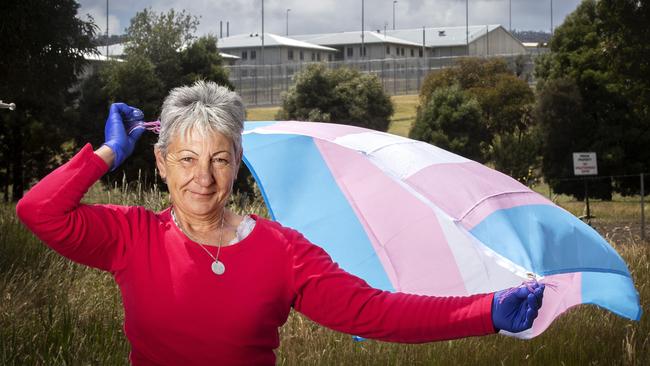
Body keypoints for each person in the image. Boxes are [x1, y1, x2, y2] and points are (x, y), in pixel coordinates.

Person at [16, 81, 544, 365]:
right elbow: (37, 211)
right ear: (160, 163)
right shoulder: (129, 236)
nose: (203, 177)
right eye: (186, 159)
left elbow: (371, 312)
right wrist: (108, 152)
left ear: (237, 161)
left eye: (219, 159)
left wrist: (486, 312)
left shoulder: (282, 250)